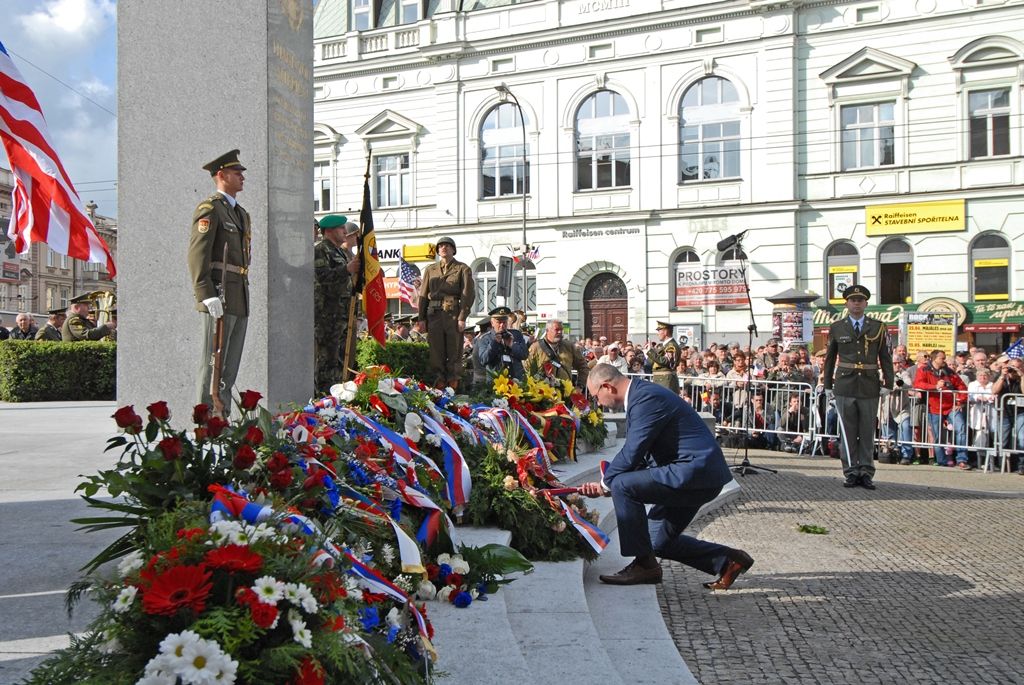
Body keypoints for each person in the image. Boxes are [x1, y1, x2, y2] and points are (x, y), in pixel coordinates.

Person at [579, 364, 753, 589]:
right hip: (694, 474)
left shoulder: (645, 398)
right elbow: (641, 455)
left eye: (596, 397)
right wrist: (606, 483)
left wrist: (607, 483)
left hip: (694, 472)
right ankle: (727, 561)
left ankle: (644, 566)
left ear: (607, 387)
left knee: (622, 485)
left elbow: (633, 451)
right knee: (655, 541)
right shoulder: (641, 396)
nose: (598, 403)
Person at [188, 149, 250, 416]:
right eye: (237, 173)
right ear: (221, 175)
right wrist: (205, 293)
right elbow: (197, 253)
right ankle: (205, 419)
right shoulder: (210, 208)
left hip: (239, 293)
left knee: (230, 363)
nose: (242, 178)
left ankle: (221, 415)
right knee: (212, 361)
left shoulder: (241, 214)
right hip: (219, 293)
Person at [823, 285, 894, 489]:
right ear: (846, 303)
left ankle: (866, 471)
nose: (856, 303)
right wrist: (828, 385)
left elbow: (885, 357)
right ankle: (851, 471)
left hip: (869, 384)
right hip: (845, 384)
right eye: (852, 300)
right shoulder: (837, 327)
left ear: (866, 304)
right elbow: (830, 359)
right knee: (847, 431)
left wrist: (888, 382)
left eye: (860, 300)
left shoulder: (878, 327)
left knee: (866, 431)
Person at [418, 236, 474, 390]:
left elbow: (467, 295)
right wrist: (421, 318)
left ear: (453, 250)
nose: (443, 248)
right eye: (441, 246)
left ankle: (453, 383)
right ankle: (439, 383)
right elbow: (423, 295)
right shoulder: (430, 269)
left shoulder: (463, 268)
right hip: (434, 314)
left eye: (447, 246)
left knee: (454, 350)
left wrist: (462, 317)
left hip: (453, 314)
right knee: (435, 351)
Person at [314, 215, 361, 394]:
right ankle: (325, 398)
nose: (345, 231)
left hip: (342, 315)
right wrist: (347, 269)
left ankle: (339, 396)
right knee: (328, 362)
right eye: (341, 228)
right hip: (328, 316)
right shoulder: (321, 250)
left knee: (341, 360)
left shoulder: (340, 252)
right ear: (330, 231)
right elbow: (322, 277)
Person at [913, 349, 969, 469]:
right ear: (934, 359)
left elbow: (962, 387)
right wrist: (935, 386)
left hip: (951, 406)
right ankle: (942, 461)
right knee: (937, 435)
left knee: (961, 428)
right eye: (941, 358)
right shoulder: (924, 370)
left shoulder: (949, 372)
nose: (944, 360)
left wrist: (960, 401)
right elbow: (918, 384)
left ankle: (962, 459)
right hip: (934, 407)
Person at [527, 319, 589, 390]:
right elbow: (527, 369)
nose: (560, 332)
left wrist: (580, 386)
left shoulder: (569, 346)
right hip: (543, 394)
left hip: (565, 393)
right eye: (557, 330)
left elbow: (583, 366)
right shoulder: (536, 347)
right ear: (547, 331)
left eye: (561, 330)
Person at [477, 305, 529, 382]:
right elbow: (483, 360)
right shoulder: (485, 338)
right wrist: (495, 343)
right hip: (496, 382)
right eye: (499, 322)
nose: (502, 325)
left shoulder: (516, 334)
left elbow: (524, 355)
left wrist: (512, 345)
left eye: (504, 322)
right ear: (492, 323)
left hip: (516, 381)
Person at [649, 321, 680, 393]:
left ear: (665, 332)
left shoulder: (671, 346)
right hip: (661, 380)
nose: (658, 334)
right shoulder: (665, 345)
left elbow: (666, 361)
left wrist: (650, 352)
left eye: (659, 331)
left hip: (665, 381)